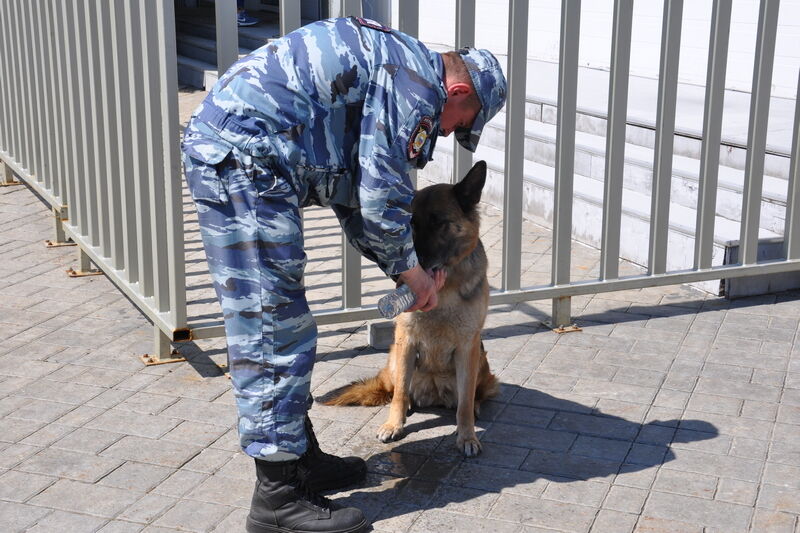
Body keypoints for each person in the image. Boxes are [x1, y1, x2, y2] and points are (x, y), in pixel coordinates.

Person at [181, 16, 506, 533]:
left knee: (289, 324)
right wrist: (412, 274)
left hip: (252, 160)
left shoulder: (401, 66)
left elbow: (354, 193)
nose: (449, 133)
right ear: (460, 91)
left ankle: (298, 460)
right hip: (243, 162)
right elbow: (380, 197)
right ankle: (278, 499)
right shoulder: (415, 87)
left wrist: (405, 270)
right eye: (460, 123)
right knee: (272, 328)